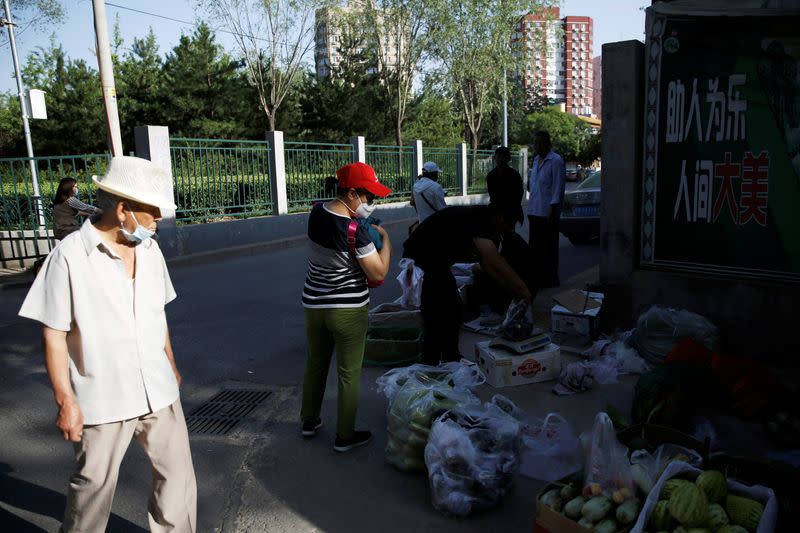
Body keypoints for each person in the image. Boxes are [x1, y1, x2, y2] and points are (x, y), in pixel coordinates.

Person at [18, 156, 196, 532]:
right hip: (103, 398)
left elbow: (156, 313)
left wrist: (171, 364)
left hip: (158, 390)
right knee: (92, 491)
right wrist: (66, 401)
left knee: (178, 480)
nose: (159, 219)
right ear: (123, 209)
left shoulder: (150, 251)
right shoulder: (69, 258)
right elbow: (53, 335)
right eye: (153, 211)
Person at [301, 162, 393, 452]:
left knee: (316, 363)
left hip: (314, 304)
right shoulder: (355, 230)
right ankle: (345, 435)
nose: (371, 203)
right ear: (351, 194)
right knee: (349, 373)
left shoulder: (316, 211)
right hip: (348, 310)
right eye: (369, 197)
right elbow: (377, 273)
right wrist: (387, 241)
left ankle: (309, 420)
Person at [403, 203, 532, 365]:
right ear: (500, 218)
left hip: (434, 260)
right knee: (438, 312)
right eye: (509, 225)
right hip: (424, 259)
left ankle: (450, 357)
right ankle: (432, 364)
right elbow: (496, 263)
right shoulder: (481, 221)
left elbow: (488, 267)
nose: (507, 230)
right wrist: (524, 291)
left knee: (452, 308)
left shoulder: (481, 219)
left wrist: (513, 293)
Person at [527, 130, 566, 288]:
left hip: (547, 213)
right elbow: (534, 185)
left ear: (547, 143)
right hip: (534, 211)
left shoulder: (556, 160)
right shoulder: (536, 160)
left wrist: (553, 209)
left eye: (538, 143)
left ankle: (550, 280)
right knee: (535, 249)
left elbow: (558, 187)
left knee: (548, 249)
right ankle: (537, 279)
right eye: (535, 143)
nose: (536, 146)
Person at [486, 146, 524, 225]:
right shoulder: (491, 175)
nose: (501, 159)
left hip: (511, 212)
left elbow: (518, 195)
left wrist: (510, 214)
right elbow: (492, 195)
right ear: (494, 158)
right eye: (499, 156)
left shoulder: (514, 175)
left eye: (504, 157)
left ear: (508, 159)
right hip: (496, 212)